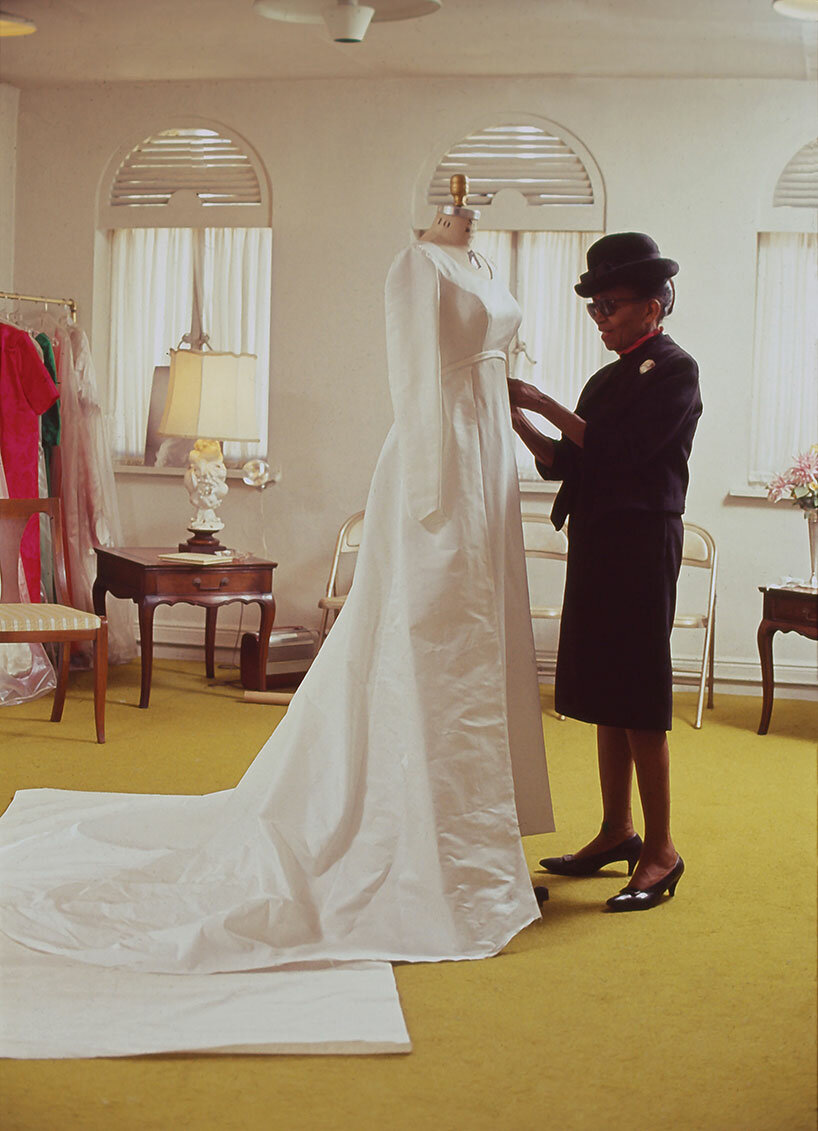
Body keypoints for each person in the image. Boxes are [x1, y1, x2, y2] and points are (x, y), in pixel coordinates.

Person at [0, 203, 553, 973]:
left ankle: (479, 832)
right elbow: (412, 376)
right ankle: (427, 842)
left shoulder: (483, 264)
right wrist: (434, 496)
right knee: (432, 642)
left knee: (479, 647)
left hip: (485, 451)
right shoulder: (419, 264)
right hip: (443, 461)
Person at [507, 232, 702, 913]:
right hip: (598, 540)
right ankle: (617, 829)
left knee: (640, 695)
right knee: (606, 691)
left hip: (643, 543)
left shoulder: (675, 370)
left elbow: (625, 449)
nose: (600, 317)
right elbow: (569, 461)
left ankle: (661, 847)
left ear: (653, 305)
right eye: (594, 306)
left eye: (610, 305)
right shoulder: (608, 375)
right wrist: (518, 424)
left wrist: (537, 398)